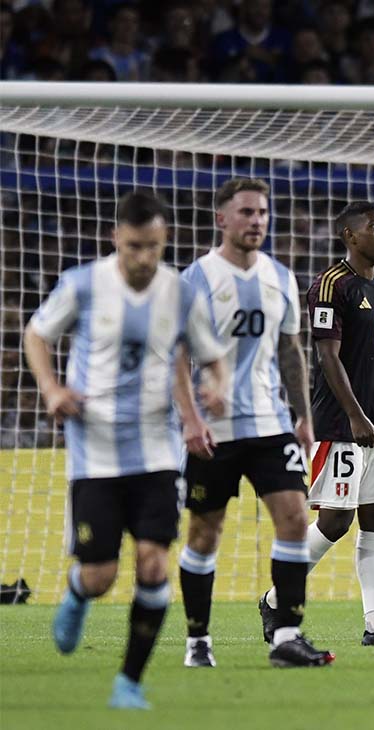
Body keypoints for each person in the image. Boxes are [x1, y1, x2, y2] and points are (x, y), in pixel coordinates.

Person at [24, 191, 226, 709]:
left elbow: (210, 355)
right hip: (94, 451)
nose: (143, 259)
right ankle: (76, 591)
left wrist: (216, 389)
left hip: (157, 451)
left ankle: (129, 682)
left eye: (154, 248)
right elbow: (37, 334)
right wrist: (51, 391)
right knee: (100, 575)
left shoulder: (180, 293)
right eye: (135, 246)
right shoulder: (84, 283)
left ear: (164, 242)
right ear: (117, 238)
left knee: (154, 565)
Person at [177, 178, 333, 669]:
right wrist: (189, 417)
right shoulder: (195, 280)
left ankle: (286, 634)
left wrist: (303, 415)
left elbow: (290, 351)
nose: (256, 221)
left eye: (262, 213)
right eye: (246, 212)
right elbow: (176, 356)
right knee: (205, 533)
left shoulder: (280, 277)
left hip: (270, 424)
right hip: (214, 430)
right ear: (222, 219)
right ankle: (198, 640)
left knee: (292, 519)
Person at [259, 201, 374, 646]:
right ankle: (276, 600)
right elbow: (327, 356)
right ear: (350, 236)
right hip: (340, 423)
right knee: (335, 522)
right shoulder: (330, 285)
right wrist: (354, 415)